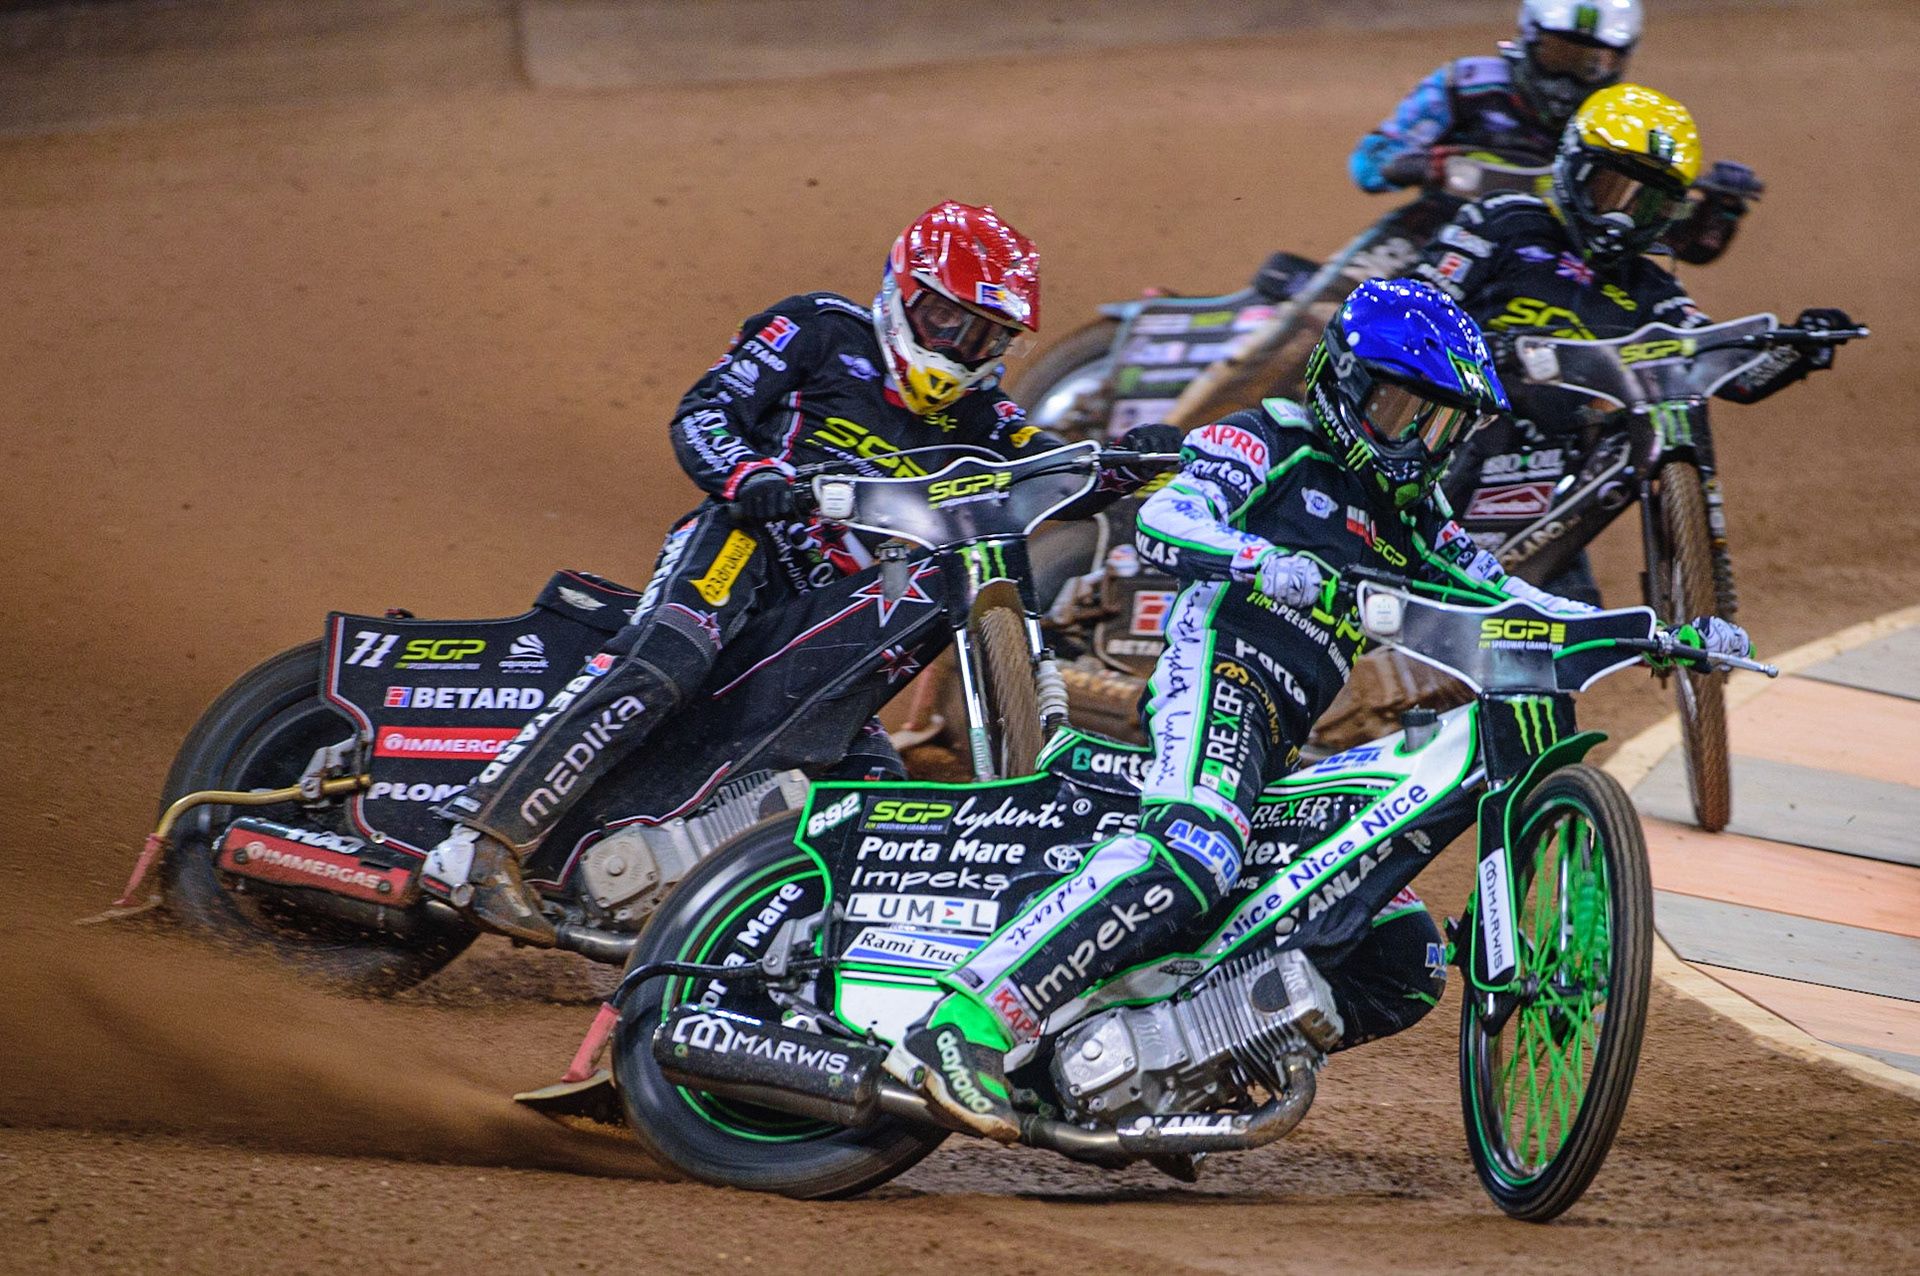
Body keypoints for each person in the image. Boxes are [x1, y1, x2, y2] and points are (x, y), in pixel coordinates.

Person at [885, 277, 1751, 1139]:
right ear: (1344, 382)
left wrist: (1659, 633)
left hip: (1280, 740)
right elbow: (1170, 521)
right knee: (1194, 849)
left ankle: (1183, 1067)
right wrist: (1256, 560)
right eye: (1403, 409)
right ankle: (966, 1025)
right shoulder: (1268, 439)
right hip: (1220, 680)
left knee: (1403, 954)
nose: (1418, 441)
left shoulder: (1413, 517)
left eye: (1440, 423)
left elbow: (1514, 600)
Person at [420, 201, 1181, 944]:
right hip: (746, 545)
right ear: (903, 294)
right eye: (948, 320)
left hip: (840, 606)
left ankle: (713, 953)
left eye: (985, 334)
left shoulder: (979, 416)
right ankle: (479, 842)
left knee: (871, 792)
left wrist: (1124, 464)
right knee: (668, 659)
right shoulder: (818, 330)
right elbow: (704, 411)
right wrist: (751, 476)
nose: (960, 345)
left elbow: (1039, 463)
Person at [1409, 83, 1850, 602]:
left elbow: (1721, 370)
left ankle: (1696, 590)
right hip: (1447, 444)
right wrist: (1483, 349)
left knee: (1549, 675)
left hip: (1551, 498)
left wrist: (1801, 349)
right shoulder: (1506, 221)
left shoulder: (1651, 287)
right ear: (1573, 167)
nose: (1620, 219)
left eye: (1645, 204)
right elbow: (1416, 305)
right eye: (1610, 190)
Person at [1349, 0, 1754, 269]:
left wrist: (1717, 212)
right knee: (1335, 305)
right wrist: (1424, 164)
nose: (1567, 81)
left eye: (1591, 64)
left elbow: (1677, 239)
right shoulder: (1466, 84)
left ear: (1621, 63)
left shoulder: (1624, 124)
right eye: (1558, 55)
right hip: (1432, 233)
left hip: (1553, 261)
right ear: (1529, 38)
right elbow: (1369, 163)